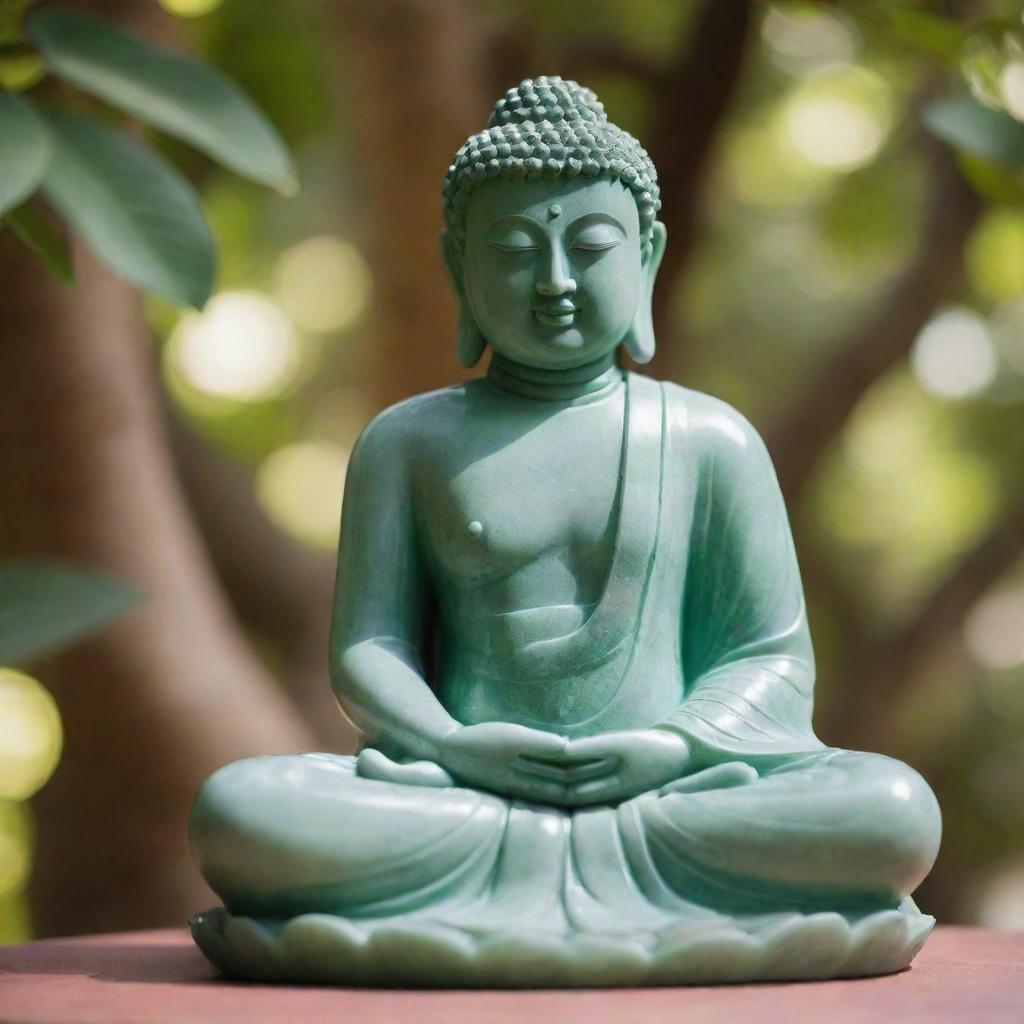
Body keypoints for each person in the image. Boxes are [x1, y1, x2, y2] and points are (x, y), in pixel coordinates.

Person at [188, 77, 941, 986]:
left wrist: (672, 746)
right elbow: (370, 649)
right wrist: (453, 746)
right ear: (457, 265)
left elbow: (771, 659)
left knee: (891, 810)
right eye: (512, 251)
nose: (553, 284)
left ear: (649, 257)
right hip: (464, 799)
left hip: (667, 800)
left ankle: (510, 904)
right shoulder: (408, 443)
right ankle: (599, 897)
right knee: (243, 810)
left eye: (589, 246)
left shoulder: (711, 442)